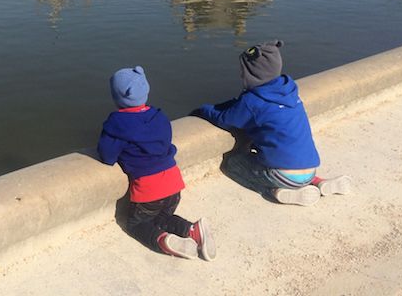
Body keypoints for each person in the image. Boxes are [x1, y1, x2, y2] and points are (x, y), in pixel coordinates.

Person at [191, 41, 351, 206]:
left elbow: (224, 119)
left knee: (233, 164)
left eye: (243, 71)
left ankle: (274, 192)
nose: (241, 75)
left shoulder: (252, 101)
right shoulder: (289, 90)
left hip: (281, 176)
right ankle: (318, 182)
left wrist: (203, 110)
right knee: (290, 161)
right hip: (309, 170)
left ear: (253, 73)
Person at [98, 66, 216, 260]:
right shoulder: (159, 116)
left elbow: (107, 156)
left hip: (149, 190)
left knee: (136, 224)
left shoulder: (117, 124)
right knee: (162, 218)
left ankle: (162, 240)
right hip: (174, 183)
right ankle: (192, 230)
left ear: (117, 97)